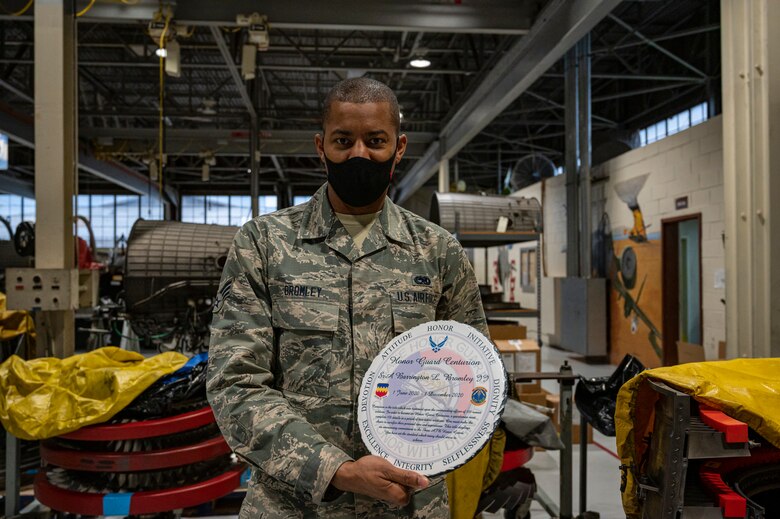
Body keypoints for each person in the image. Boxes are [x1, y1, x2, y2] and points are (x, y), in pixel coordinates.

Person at [207, 77, 488, 518]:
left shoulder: (437, 251)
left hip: (409, 502)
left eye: (375, 140)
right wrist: (335, 470)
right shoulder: (264, 243)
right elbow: (234, 383)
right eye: (344, 140)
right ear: (321, 147)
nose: (359, 154)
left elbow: (476, 377)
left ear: (399, 148)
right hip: (294, 504)